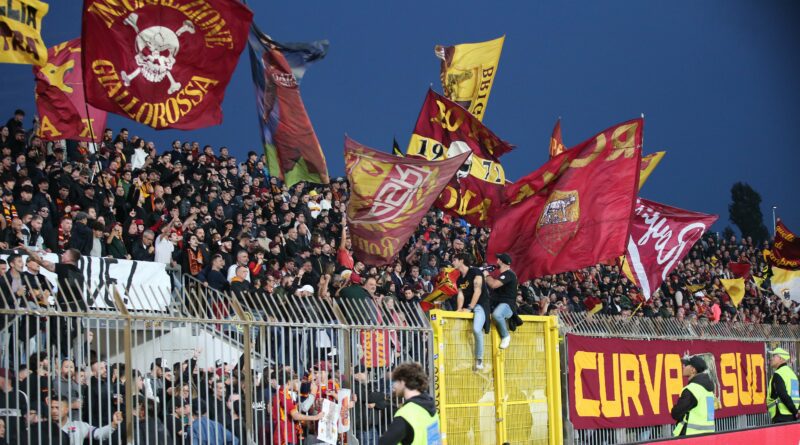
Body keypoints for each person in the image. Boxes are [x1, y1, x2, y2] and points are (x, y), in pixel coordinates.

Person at [379, 362, 439, 445]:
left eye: (395, 382)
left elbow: (384, 443)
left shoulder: (407, 413)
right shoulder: (430, 406)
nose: (393, 386)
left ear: (403, 382)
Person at [453, 253, 490, 370]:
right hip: (467, 307)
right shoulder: (459, 279)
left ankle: (479, 359)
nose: (452, 262)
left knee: (476, 329)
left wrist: (470, 308)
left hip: (479, 305)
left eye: (454, 260)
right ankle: (462, 359)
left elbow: (477, 291)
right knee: (456, 332)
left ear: (461, 261)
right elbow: (460, 295)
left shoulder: (475, 272)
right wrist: (459, 309)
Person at [671, 355, 715, 436]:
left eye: (686, 364)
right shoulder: (709, 389)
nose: (683, 366)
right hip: (708, 436)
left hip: (690, 436)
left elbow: (676, 413)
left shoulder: (691, 389)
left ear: (693, 370)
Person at [483, 253, 518, 349]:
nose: (496, 261)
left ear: (502, 262)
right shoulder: (504, 275)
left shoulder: (509, 274)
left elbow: (493, 284)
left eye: (498, 259)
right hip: (497, 304)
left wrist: (486, 276)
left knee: (497, 315)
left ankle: (505, 336)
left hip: (507, 305)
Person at [766, 347, 800, 423]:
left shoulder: (778, 374)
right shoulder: (792, 374)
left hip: (781, 415)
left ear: (781, 358)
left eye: (774, 356)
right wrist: (796, 411)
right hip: (793, 416)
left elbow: (783, 394)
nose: (771, 359)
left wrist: (794, 410)